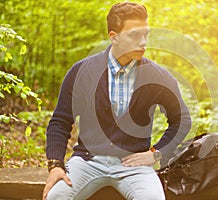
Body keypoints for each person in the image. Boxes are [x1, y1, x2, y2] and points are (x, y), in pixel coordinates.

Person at [43, 2, 191, 200]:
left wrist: (156, 153)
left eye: (145, 34)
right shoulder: (81, 72)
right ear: (114, 37)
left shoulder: (158, 77)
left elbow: (182, 120)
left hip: (135, 166)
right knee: (56, 197)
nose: (143, 42)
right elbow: (60, 122)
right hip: (87, 161)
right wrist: (55, 165)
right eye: (135, 35)